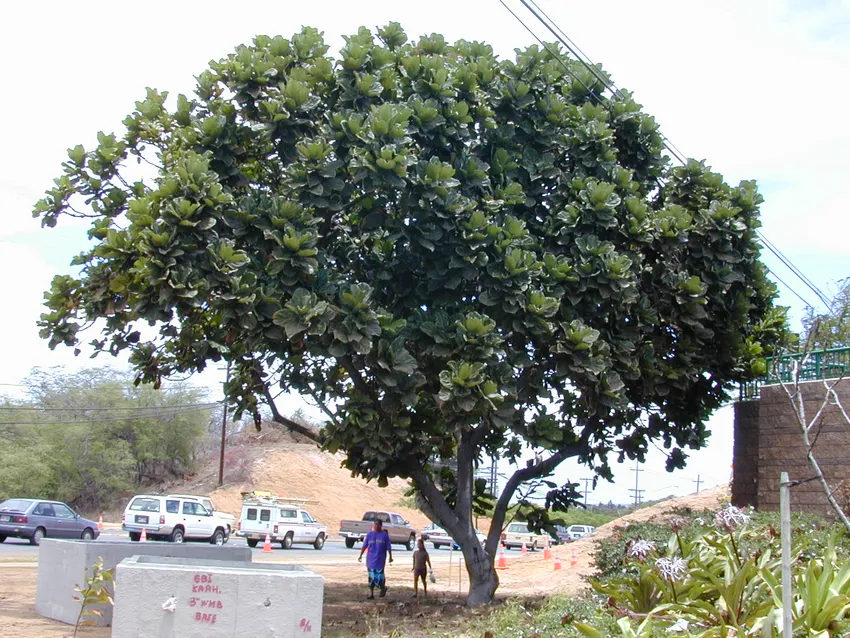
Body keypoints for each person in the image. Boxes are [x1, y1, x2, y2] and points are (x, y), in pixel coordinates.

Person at [358, 519, 393, 599]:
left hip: (380, 559)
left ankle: (383, 588)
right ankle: (371, 593)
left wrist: (390, 556)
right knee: (371, 576)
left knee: (380, 576)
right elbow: (364, 546)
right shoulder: (369, 534)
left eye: (378, 524)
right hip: (370, 559)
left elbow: (388, 546)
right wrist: (360, 555)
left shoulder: (384, 535)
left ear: (381, 525)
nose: (376, 526)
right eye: (375, 524)